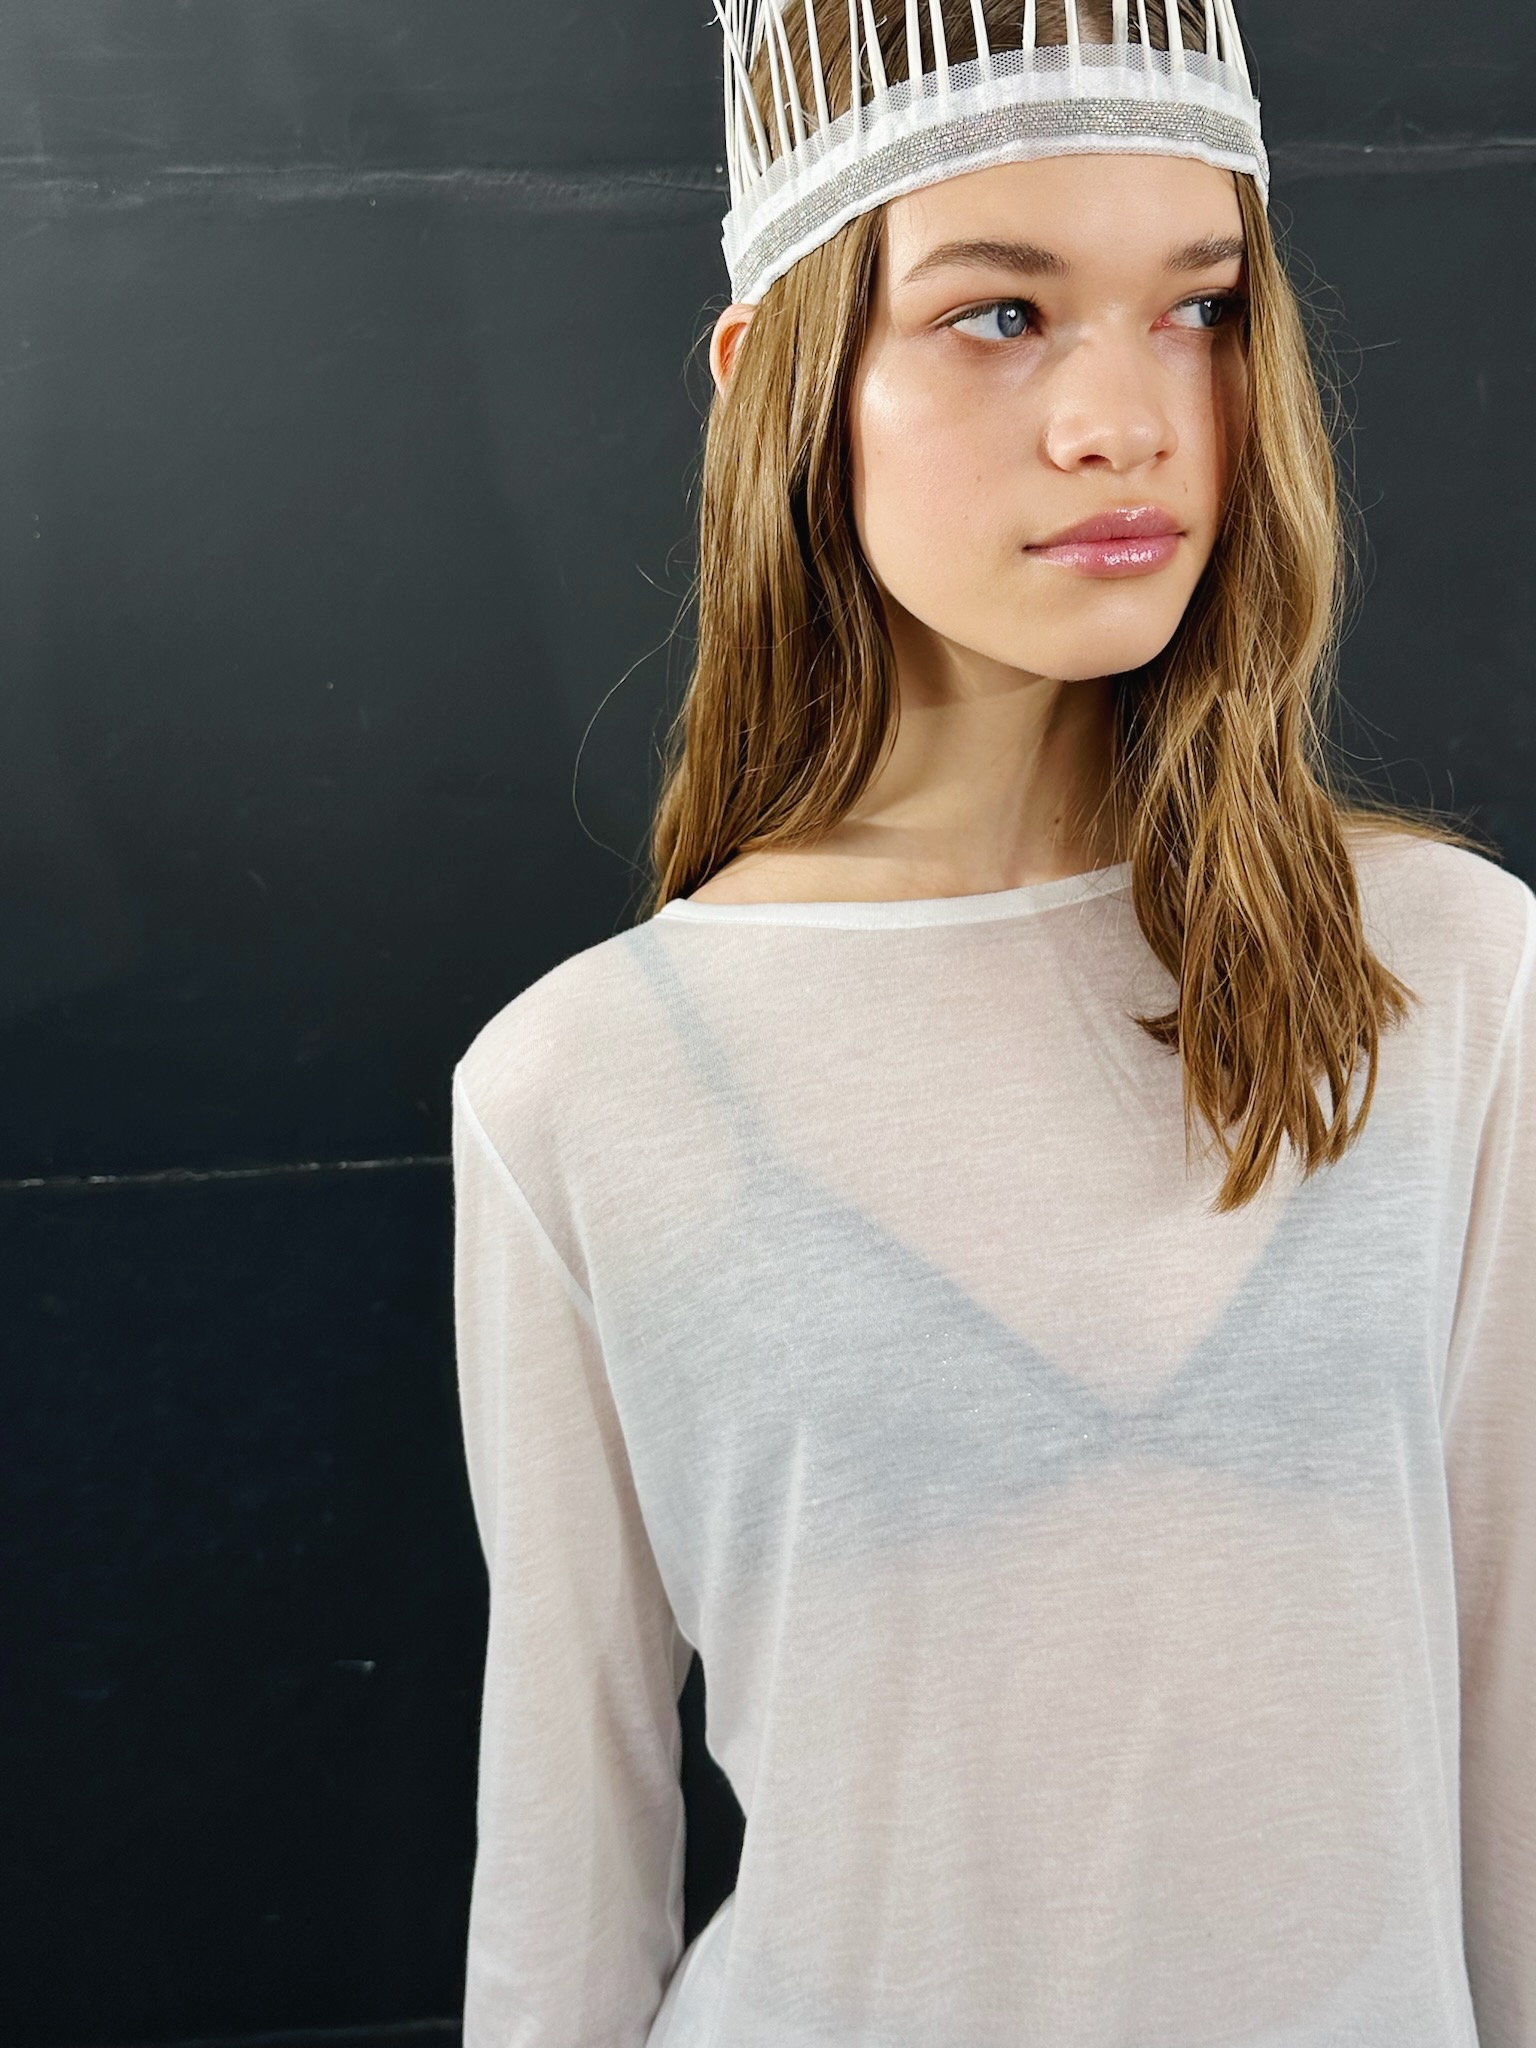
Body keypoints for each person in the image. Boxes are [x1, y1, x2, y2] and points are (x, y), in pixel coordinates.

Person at [450, 2, 1535, 2043]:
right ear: (780, 383)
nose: (1127, 420)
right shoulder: (585, 1087)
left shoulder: (1447, 978)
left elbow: (1522, 1716)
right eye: (999, 315)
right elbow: (566, 1875)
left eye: (1198, 309)